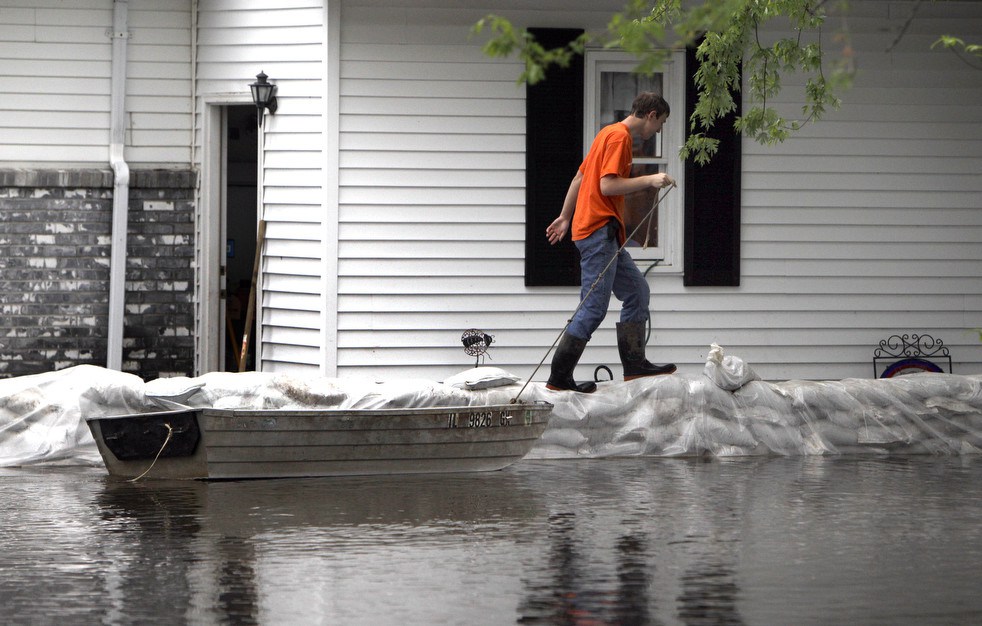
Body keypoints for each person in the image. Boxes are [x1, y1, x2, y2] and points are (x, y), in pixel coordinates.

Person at [545, 91, 677, 393]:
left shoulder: (607, 132)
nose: (659, 130)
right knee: (592, 308)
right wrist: (650, 179)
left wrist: (565, 216)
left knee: (636, 291)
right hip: (598, 233)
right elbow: (607, 185)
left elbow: (580, 178)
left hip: (602, 234)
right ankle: (558, 377)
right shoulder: (620, 139)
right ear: (652, 115)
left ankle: (634, 365)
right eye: (661, 123)